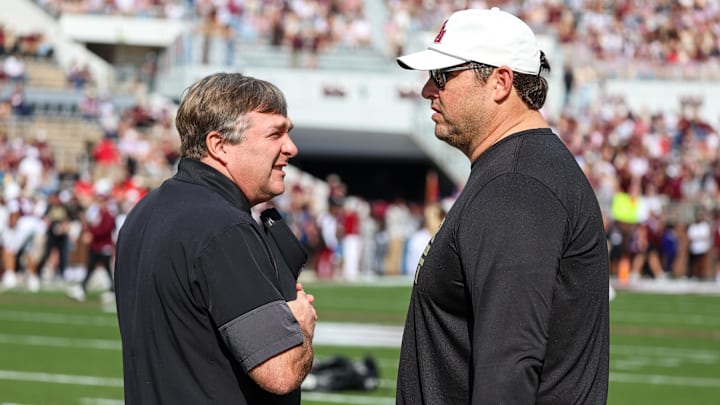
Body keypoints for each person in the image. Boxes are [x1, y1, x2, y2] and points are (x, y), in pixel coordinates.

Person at [394, 8, 609, 404]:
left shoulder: (516, 185)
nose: (427, 90)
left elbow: (508, 369)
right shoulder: (517, 172)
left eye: (442, 76)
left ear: (500, 81)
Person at [114, 72, 317, 404]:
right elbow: (281, 371)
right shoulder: (225, 227)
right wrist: (302, 327)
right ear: (219, 146)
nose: (290, 148)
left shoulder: (144, 211)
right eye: (274, 134)